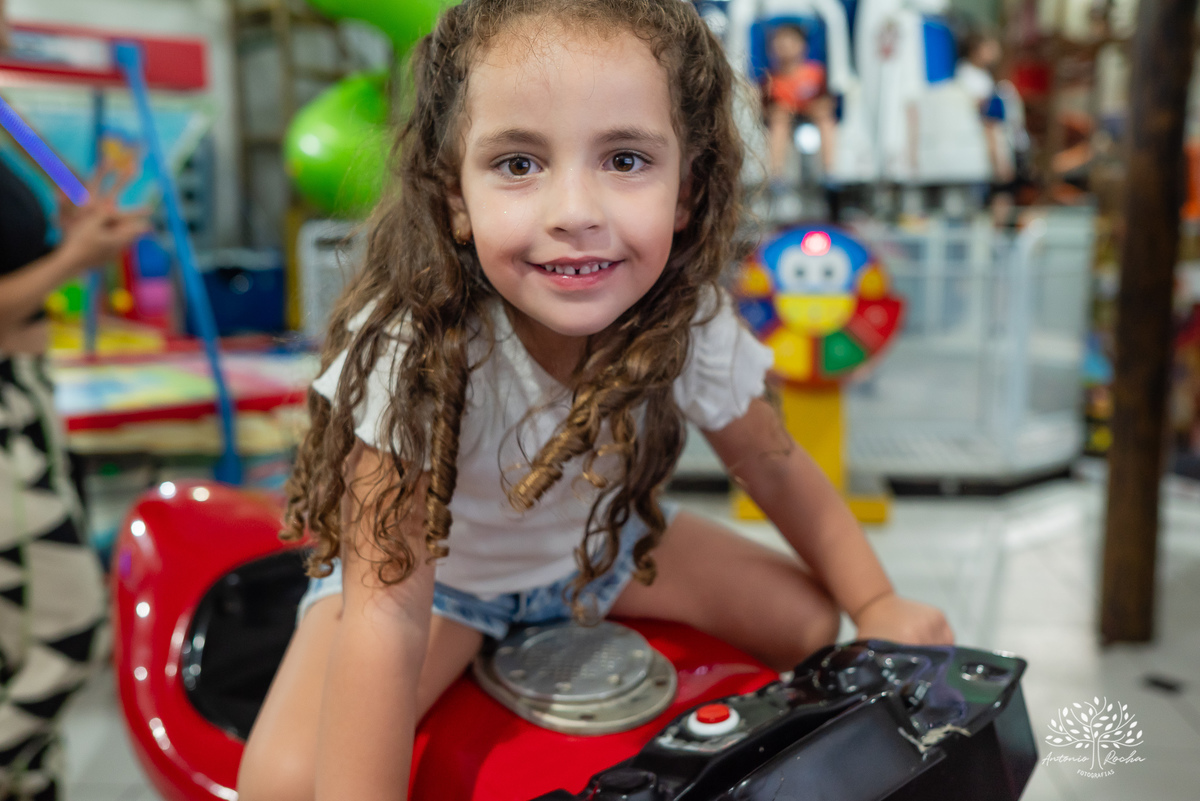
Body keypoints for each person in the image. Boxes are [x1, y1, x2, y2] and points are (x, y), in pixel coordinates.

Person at [237, 2, 952, 799]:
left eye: (624, 160)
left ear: (688, 191)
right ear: (454, 199)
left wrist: (877, 598)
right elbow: (385, 617)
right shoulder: (413, 348)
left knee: (808, 621)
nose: (574, 212)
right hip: (441, 585)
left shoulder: (687, 317)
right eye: (518, 163)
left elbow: (775, 467)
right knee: (284, 780)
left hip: (599, 556)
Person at [0, 10, 150, 799]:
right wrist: (73, 258)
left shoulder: (6, 130)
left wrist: (75, 229)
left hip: (26, 399)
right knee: (67, 628)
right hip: (4, 420)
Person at [763, 23, 837, 182]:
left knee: (826, 121)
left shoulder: (816, 74)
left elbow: (828, 101)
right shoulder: (770, 80)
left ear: (802, 45)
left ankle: (829, 171)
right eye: (780, 42)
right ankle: (776, 175)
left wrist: (817, 107)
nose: (785, 46)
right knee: (778, 123)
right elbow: (765, 109)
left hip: (812, 118)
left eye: (790, 41)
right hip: (786, 122)